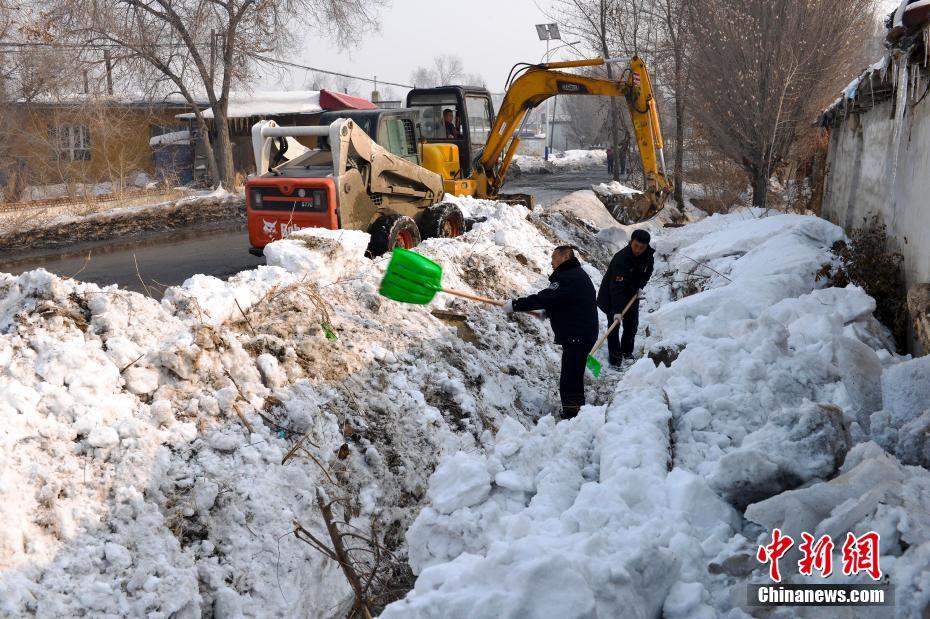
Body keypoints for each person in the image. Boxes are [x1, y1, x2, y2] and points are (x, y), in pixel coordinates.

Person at [504, 246, 598, 419]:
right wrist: (547, 312)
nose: (551, 261)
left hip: (578, 334)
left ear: (565, 257)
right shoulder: (574, 274)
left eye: (554, 257)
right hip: (581, 333)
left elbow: (546, 297)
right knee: (573, 376)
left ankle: (572, 415)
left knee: (570, 378)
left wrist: (516, 305)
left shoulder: (568, 276)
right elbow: (566, 301)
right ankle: (576, 413)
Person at [597, 229, 655, 365]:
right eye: (636, 246)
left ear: (646, 246)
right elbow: (616, 287)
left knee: (632, 324)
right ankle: (615, 359)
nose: (638, 250)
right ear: (630, 242)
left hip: (631, 294)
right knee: (614, 326)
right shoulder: (621, 259)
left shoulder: (648, 255)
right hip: (612, 295)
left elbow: (648, 272)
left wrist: (641, 286)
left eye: (642, 247)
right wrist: (617, 311)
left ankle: (626, 352)